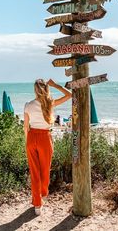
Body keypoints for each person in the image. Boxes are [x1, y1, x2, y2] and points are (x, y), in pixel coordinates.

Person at [24, 78, 72, 216]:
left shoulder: (28, 105)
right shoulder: (50, 103)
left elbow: (25, 127)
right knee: (45, 169)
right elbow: (70, 95)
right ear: (46, 89)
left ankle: (37, 204)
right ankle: (43, 194)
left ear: (35, 90)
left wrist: (27, 142)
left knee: (34, 172)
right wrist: (55, 85)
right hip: (45, 137)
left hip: (31, 137)